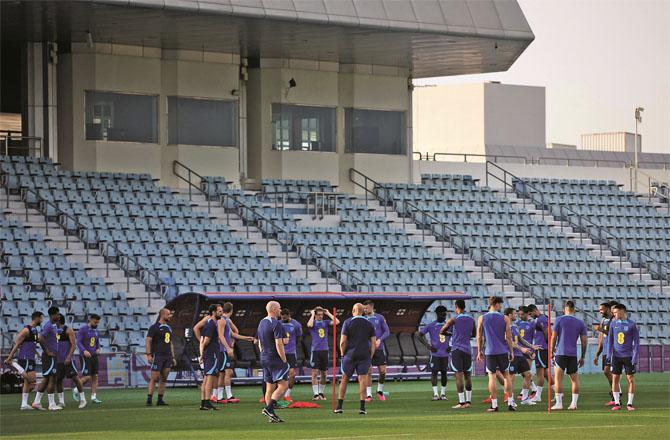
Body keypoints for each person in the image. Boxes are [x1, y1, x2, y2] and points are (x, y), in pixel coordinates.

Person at [334, 303, 376, 415]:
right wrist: (370, 356)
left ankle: (339, 407)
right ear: (363, 311)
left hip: (350, 355)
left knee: (344, 379)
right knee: (362, 380)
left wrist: (342, 354)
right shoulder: (369, 324)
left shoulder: (348, 322)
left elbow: (342, 342)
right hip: (364, 355)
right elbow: (373, 343)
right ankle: (362, 408)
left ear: (353, 310)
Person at [476, 296, 515, 412]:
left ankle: (494, 405)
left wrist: (479, 351)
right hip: (502, 351)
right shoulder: (505, 318)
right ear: (497, 304)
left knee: (491, 377)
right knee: (507, 376)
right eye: (500, 304)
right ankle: (511, 403)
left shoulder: (482, 318)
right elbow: (508, 336)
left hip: (490, 351)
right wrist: (511, 351)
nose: (501, 307)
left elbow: (479, 337)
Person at [214, 302, 255, 404]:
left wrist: (246, 338)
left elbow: (232, 334)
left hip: (223, 350)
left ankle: (220, 396)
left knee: (224, 373)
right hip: (222, 350)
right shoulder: (222, 320)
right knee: (226, 372)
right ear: (232, 310)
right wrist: (228, 348)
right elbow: (221, 336)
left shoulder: (226, 320)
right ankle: (226, 396)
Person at [550, 300, 588, 411]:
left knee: (558, 379)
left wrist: (551, 351)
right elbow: (584, 341)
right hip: (573, 354)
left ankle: (559, 404)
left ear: (564, 309)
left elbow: (553, 337)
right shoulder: (580, 322)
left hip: (561, 353)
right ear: (574, 310)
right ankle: (574, 404)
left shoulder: (559, 320)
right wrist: (583, 356)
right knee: (574, 379)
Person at [257, 301, 289, 423]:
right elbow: (279, 343)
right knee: (283, 385)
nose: (280, 311)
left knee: (270, 387)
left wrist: (263, 354)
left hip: (264, 357)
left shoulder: (261, 322)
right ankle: (269, 408)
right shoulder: (276, 323)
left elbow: (259, 342)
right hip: (274, 358)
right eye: (279, 308)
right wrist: (284, 359)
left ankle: (271, 415)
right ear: (274, 309)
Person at [4, 311, 43, 410]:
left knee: (28, 382)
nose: (42, 320)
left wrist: (38, 354)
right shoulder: (26, 330)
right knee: (31, 381)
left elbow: (33, 344)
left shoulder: (35, 330)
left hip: (31, 358)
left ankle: (24, 404)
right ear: (36, 318)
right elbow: (17, 344)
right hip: (25, 358)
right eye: (41, 318)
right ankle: (13, 363)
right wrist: (10, 357)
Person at [440, 299, 475, 408]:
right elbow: (473, 333)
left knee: (458, 375)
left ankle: (461, 402)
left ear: (456, 307)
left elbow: (442, 331)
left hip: (457, 349)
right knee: (468, 375)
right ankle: (468, 402)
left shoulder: (453, 320)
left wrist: (452, 333)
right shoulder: (471, 319)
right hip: (467, 349)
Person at [606, 303, 640, 411]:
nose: (614, 314)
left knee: (630, 379)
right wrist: (608, 354)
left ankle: (629, 404)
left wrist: (635, 357)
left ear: (622, 311)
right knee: (615, 379)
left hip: (628, 356)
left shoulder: (632, 325)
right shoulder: (613, 324)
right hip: (616, 356)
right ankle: (617, 403)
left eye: (615, 312)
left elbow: (637, 342)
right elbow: (610, 340)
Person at [504, 308, 540, 406]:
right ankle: (510, 400)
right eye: (515, 314)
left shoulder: (515, 326)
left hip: (519, 355)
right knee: (511, 377)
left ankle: (524, 398)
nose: (517, 315)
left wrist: (531, 346)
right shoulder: (505, 327)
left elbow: (520, 339)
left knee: (528, 375)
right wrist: (521, 349)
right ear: (509, 315)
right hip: (511, 355)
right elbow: (509, 341)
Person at [418, 305, 450, 401]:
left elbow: (455, 335)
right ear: (437, 314)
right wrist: (428, 346)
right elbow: (419, 335)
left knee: (444, 373)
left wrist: (451, 346)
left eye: (445, 314)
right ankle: (436, 394)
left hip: (445, 354)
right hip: (435, 354)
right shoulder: (431, 325)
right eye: (442, 314)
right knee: (434, 373)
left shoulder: (449, 325)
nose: (443, 316)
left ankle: (443, 394)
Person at [32, 306, 61, 411]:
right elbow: (40, 338)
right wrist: (47, 351)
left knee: (47, 378)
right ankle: (51, 404)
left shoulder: (53, 326)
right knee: (52, 378)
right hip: (50, 356)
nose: (58, 316)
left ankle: (36, 402)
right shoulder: (48, 326)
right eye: (57, 314)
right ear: (52, 315)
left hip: (52, 356)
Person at [307, 307, 339, 400]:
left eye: (322, 314)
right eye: (319, 314)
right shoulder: (313, 323)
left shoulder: (325, 322)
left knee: (324, 374)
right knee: (314, 373)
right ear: (316, 315)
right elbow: (309, 325)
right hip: (315, 350)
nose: (320, 316)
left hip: (325, 350)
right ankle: (316, 394)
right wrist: (312, 314)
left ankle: (321, 393)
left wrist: (328, 313)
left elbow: (336, 322)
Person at [55, 314, 86, 409]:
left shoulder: (68, 330)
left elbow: (73, 345)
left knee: (75, 379)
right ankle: (61, 402)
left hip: (68, 360)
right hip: (58, 360)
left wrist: (68, 357)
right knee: (58, 380)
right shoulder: (54, 330)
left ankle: (83, 399)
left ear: (59, 319)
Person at [145, 308, 175, 406]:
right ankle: (149, 399)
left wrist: (173, 357)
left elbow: (170, 343)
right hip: (158, 355)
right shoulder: (154, 327)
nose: (170, 316)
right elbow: (148, 340)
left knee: (164, 378)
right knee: (154, 378)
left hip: (167, 356)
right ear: (163, 315)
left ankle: (160, 400)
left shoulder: (169, 328)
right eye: (168, 314)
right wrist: (149, 354)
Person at [363, 300, 390, 401]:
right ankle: (369, 395)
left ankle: (379, 391)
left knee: (383, 371)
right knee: (368, 371)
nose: (365, 310)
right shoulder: (362, 318)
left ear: (371, 307)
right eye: (364, 308)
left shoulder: (380, 318)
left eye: (366, 308)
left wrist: (379, 340)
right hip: (367, 349)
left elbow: (387, 331)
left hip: (379, 348)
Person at [197, 304, 221, 410]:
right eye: (219, 311)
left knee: (206, 379)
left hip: (209, 354)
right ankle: (207, 402)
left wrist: (202, 353)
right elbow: (205, 341)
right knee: (210, 378)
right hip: (212, 354)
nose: (221, 313)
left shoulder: (209, 323)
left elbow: (202, 340)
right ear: (214, 312)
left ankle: (203, 402)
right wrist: (202, 353)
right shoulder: (211, 324)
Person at [594, 301, 617, 405]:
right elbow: (601, 339)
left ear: (608, 309)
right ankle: (615, 394)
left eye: (601, 309)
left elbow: (614, 334)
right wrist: (597, 355)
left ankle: (616, 394)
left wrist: (601, 330)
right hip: (605, 351)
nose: (600, 311)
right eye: (599, 310)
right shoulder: (603, 320)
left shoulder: (614, 320)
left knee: (610, 373)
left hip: (613, 351)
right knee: (607, 372)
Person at [76, 313, 102, 404]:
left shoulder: (96, 331)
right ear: (90, 320)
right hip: (85, 356)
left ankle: (93, 397)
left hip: (94, 356)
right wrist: (84, 351)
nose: (96, 324)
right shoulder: (83, 329)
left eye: (98, 323)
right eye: (95, 322)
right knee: (87, 376)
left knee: (95, 376)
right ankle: (76, 389)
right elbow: (78, 342)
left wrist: (98, 349)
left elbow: (97, 342)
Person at [527, 304, 549, 403]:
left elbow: (547, 333)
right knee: (544, 373)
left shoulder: (541, 319)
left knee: (540, 373)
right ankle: (558, 393)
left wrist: (550, 347)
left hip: (542, 349)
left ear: (535, 310)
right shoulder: (540, 319)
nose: (531, 316)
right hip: (541, 348)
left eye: (531, 314)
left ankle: (538, 395)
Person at [281, 308, 303, 402]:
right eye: (282, 317)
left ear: (289, 315)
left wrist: (292, 345)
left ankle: (287, 394)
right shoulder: (278, 323)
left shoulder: (296, 325)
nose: (283, 319)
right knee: (278, 374)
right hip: (280, 352)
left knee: (292, 374)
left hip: (291, 353)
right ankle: (271, 394)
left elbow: (299, 338)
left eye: (285, 318)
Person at [516, 306, 538, 398]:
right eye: (519, 314)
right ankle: (534, 389)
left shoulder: (532, 324)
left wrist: (533, 351)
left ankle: (523, 393)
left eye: (522, 314)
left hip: (528, 351)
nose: (520, 316)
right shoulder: (517, 323)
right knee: (523, 372)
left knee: (526, 372)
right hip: (520, 350)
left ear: (527, 314)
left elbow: (535, 338)